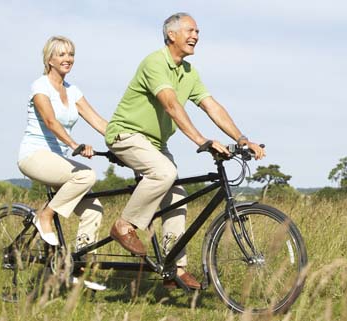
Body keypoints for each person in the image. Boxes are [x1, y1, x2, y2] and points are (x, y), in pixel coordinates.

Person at [105, 12, 265, 290]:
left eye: (198, 32)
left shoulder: (189, 73)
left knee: (177, 196)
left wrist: (241, 138)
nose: (196, 36)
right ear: (171, 35)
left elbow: (211, 105)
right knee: (164, 172)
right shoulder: (155, 62)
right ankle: (123, 225)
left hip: (156, 143)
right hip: (126, 134)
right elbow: (170, 105)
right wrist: (201, 140)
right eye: (190, 31)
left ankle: (173, 269)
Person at [17, 36, 108, 290]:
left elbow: (99, 122)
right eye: (61, 55)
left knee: (93, 209)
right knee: (86, 175)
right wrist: (74, 145)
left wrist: (124, 143)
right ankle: (44, 216)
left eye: (70, 54)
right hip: (34, 155)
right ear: (49, 59)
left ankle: (76, 268)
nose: (67, 59)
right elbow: (50, 122)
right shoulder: (40, 86)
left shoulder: (73, 90)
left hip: (58, 159)